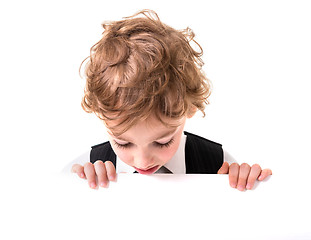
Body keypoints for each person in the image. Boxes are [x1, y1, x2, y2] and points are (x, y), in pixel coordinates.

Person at [70, 9, 272, 191]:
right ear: (100, 115)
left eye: (162, 142)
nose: (142, 161)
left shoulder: (217, 164)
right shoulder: (87, 169)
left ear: (190, 107)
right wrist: (81, 193)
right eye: (122, 143)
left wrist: (247, 190)